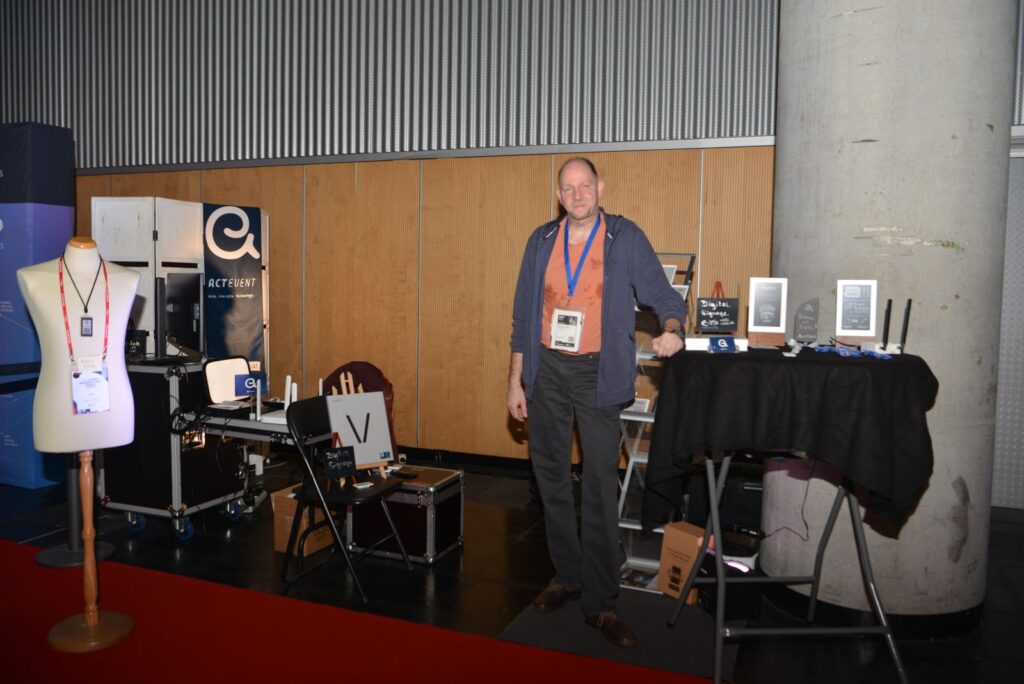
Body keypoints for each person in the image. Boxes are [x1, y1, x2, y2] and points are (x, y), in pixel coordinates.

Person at [507, 157, 686, 647]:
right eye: (568, 188)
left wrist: (673, 328)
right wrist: (515, 381)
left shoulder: (624, 237)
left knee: (600, 484)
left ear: (600, 188)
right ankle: (568, 576)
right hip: (545, 371)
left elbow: (663, 295)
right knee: (551, 478)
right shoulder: (541, 241)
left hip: (597, 374)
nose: (577, 194)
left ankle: (602, 601)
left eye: (584, 185)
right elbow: (523, 317)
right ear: (559, 195)